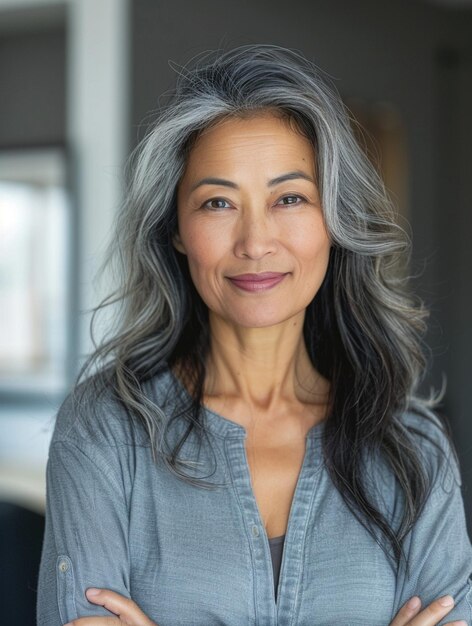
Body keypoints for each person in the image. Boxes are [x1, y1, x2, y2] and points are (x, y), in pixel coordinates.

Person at [37, 44, 472, 626]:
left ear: (334, 220)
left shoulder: (414, 449)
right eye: (218, 202)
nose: (255, 241)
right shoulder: (106, 431)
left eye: (289, 198)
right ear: (176, 230)